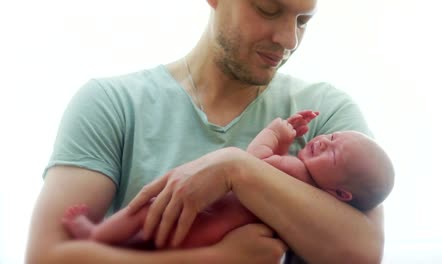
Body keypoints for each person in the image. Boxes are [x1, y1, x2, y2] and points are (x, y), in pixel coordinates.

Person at [26, 0, 388, 263]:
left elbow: (362, 252)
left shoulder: (325, 115)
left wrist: (234, 168)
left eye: (303, 20)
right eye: (267, 9)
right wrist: (218, 258)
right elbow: (47, 257)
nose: (288, 39)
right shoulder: (111, 103)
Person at [61, 110, 394, 249]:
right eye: (332, 136)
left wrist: (275, 132)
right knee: (146, 239)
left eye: (332, 154)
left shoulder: (298, 173)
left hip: (202, 220)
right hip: (213, 235)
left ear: (341, 192)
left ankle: (97, 234)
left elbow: (256, 161)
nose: (323, 141)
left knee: (145, 212)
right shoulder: (311, 193)